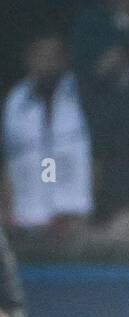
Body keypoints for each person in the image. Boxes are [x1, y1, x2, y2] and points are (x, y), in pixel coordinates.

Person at [2, 32, 93, 237]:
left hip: (73, 216)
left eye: (53, 56)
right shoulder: (15, 102)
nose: (47, 63)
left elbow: (99, 155)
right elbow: (10, 158)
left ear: (64, 59)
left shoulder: (82, 95)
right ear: (28, 58)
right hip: (26, 218)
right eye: (40, 55)